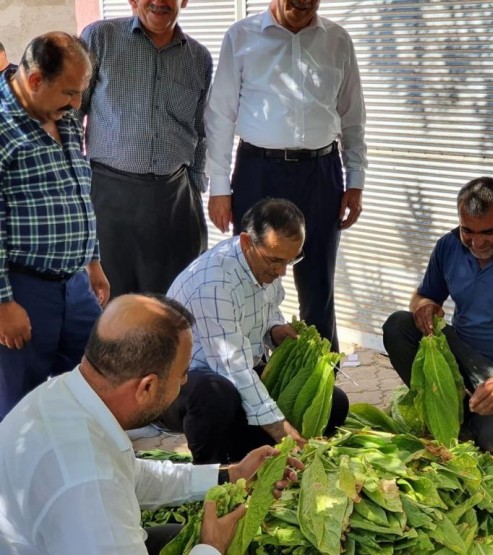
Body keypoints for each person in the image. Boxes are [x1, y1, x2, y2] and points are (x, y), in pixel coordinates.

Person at [0, 294, 300, 555]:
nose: (186, 381)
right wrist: (213, 546)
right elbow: (103, 483)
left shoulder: (65, 394)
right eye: (183, 373)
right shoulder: (89, 486)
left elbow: (130, 474)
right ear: (146, 387)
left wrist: (230, 475)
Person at [205, 0, 367, 352]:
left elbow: (353, 117)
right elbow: (220, 115)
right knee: (251, 273)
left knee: (318, 280)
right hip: (257, 170)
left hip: (321, 173)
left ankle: (322, 379)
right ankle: (250, 367)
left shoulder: (338, 40)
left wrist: (355, 181)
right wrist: (219, 188)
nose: (302, 4)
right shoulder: (241, 36)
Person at [383, 176, 493, 453]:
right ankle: (447, 410)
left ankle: (465, 420)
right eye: (468, 231)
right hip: (465, 358)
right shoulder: (448, 245)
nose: (477, 243)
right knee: (398, 325)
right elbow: (423, 295)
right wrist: (423, 307)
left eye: (488, 233)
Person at [161, 198, 349, 464]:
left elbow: (269, 309)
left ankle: (247, 452)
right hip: (183, 385)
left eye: (291, 260)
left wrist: (275, 331)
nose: (282, 271)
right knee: (217, 396)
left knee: (334, 402)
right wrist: (281, 430)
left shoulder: (264, 265)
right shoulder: (214, 284)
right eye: (275, 261)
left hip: (238, 374)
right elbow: (233, 368)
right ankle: (212, 472)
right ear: (247, 242)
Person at [0, 32, 109, 421]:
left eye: (80, 93)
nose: (77, 104)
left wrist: (92, 261)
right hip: (21, 291)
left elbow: (78, 190)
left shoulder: (63, 115)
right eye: (69, 92)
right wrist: (2, 303)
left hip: (76, 286)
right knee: (19, 410)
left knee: (93, 390)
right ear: (34, 81)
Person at [79, 0, 212, 298]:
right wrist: (75, 186)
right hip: (108, 197)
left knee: (170, 305)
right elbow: (72, 113)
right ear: (133, 1)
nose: (159, 2)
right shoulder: (99, 38)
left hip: (173, 200)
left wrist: (194, 185)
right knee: (109, 304)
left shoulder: (199, 57)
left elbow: (202, 131)